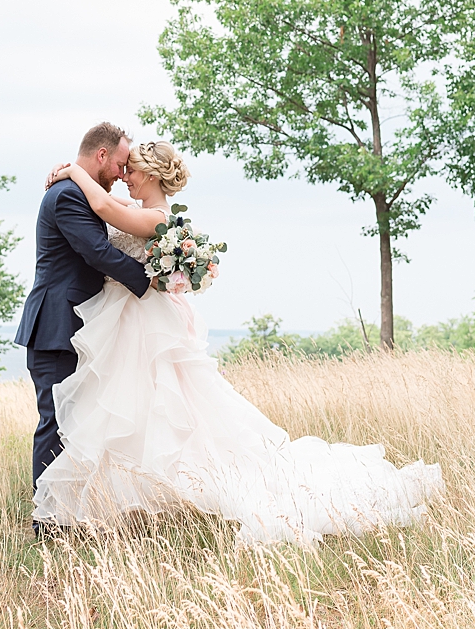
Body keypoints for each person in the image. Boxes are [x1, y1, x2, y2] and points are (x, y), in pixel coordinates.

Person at [31, 138, 444, 546]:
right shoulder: (139, 209)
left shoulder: (156, 216)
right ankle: (109, 507)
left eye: (131, 170)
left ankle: (146, 500)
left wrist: (73, 171)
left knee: (158, 406)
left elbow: (103, 211)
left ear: (152, 174)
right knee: (129, 408)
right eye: (123, 169)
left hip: (141, 319)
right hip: (127, 318)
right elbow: (108, 213)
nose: (124, 178)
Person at [13, 121, 153, 512]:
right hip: (56, 329)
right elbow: (96, 252)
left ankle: (76, 510)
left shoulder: (81, 191)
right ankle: (49, 521)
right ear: (102, 155)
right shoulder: (66, 196)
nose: (123, 175)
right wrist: (149, 282)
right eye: (121, 166)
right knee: (56, 424)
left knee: (80, 424)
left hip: (80, 326)